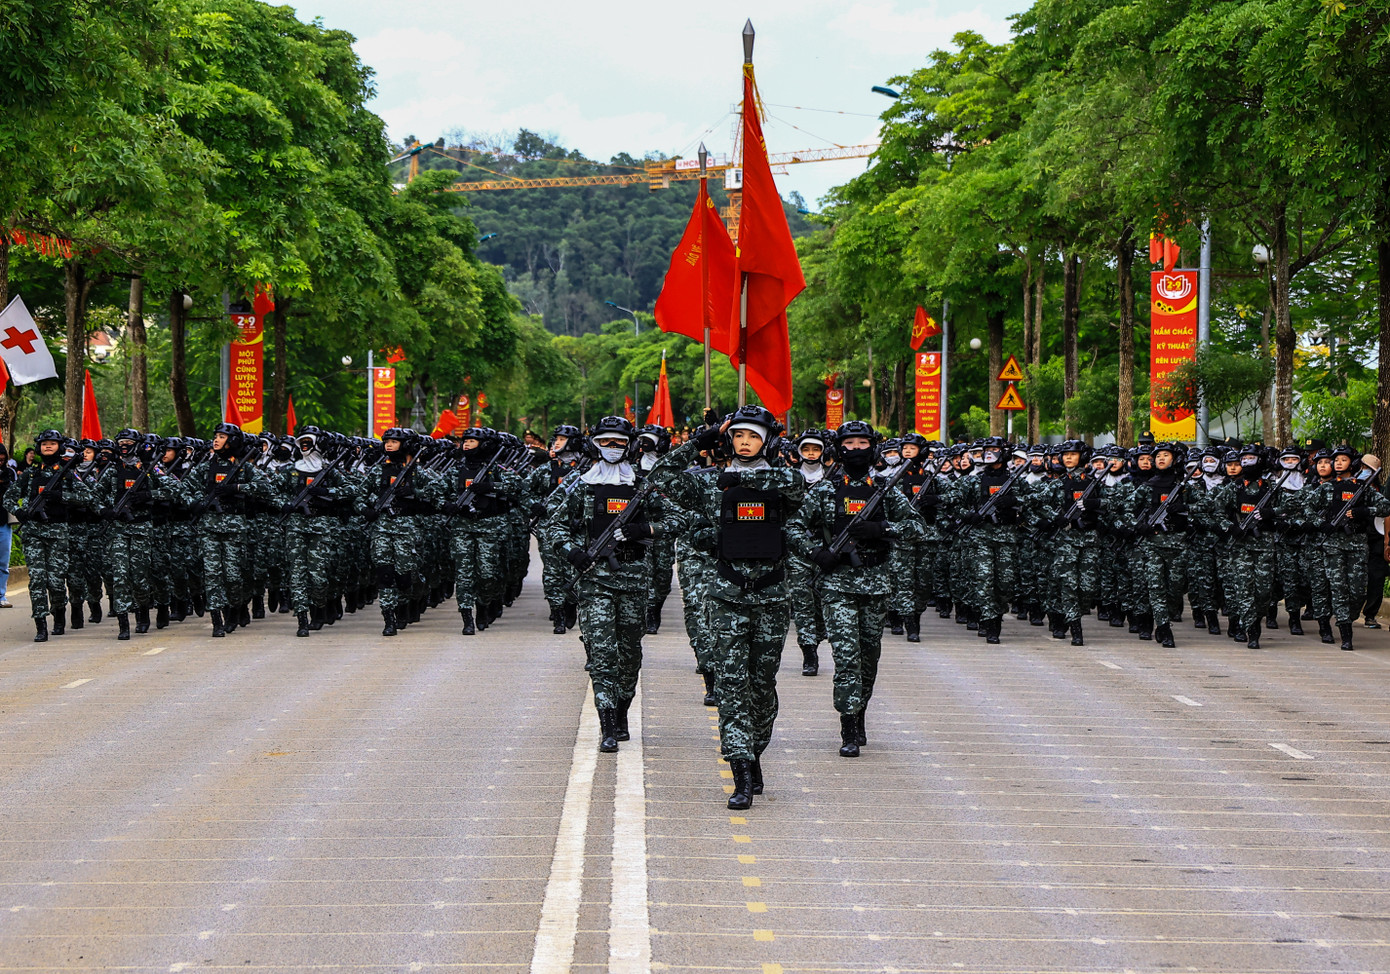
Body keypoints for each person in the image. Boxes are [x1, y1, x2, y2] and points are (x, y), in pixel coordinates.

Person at [651, 406, 804, 809]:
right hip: (726, 597)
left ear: (767, 441)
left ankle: (755, 750)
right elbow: (658, 477)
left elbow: (796, 484)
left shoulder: (783, 481)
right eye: (738, 435)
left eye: (753, 436)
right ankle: (741, 768)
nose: (745, 443)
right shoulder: (709, 483)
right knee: (732, 685)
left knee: (762, 686)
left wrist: (740, 478)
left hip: (771, 599)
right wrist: (696, 443)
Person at [787, 421, 924, 758]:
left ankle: (860, 712)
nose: (857, 450)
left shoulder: (886, 490)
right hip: (837, 586)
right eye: (850, 444)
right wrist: (815, 553)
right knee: (847, 657)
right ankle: (848, 725)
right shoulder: (824, 491)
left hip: (875, 585)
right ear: (840, 448)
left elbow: (918, 527)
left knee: (868, 658)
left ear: (872, 448)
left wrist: (881, 528)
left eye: (863, 443)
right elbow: (793, 527)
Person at [557, 416, 670, 753]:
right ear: (595, 445)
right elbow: (554, 527)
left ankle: (622, 712)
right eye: (605, 441)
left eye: (618, 442)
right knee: (602, 652)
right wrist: (573, 552)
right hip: (594, 582)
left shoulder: (642, 485)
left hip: (633, 581)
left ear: (629, 445)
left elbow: (675, 519)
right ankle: (607, 724)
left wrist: (644, 530)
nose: (612, 447)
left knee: (629, 654)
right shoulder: (582, 485)